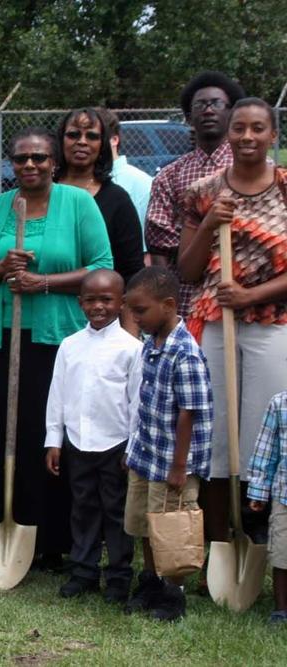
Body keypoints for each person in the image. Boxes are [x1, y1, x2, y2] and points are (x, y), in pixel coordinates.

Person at [0, 127, 114, 568]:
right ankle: (5, 518)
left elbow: (103, 268)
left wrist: (42, 282)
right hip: (5, 339)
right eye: (21, 158)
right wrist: (1, 268)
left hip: (59, 340)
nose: (29, 165)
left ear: (54, 163)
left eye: (39, 158)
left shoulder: (78, 204)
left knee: (50, 435)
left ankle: (54, 539)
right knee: (6, 432)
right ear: (11, 164)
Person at [177, 97, 287, 569]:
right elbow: (186, 270)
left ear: (273, 135)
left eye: (257, 128)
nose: (247, 136)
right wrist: (209, 223)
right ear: (228, 133)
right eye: (239, 128)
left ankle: (265, 542)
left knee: (264, 434)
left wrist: (250, 295)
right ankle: (218, 544)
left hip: (271, 325)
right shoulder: (204, 192)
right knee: (218, 437)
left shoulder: (285, 188)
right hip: (216, 324)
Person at [122, 266, 213, 622]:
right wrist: (133, 449)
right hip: (147, 454)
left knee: (171, 525)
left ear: (169, 305)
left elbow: (189, 412)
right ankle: (150, 580)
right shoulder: (151, 344)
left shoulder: (185, 352)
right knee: (146, 523)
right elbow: (143, 401)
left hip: (174, 460)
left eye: (141, 310)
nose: (135, 318)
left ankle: (173, 593)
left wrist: (179, 466)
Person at [44, 269, 141, 602]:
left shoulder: (131, 348)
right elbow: (57, 395)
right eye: (91, 300)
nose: (98, 306)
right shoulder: (70, 346)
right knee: (83, 507)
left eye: (107, 300)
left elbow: (137, 402)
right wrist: (54, 441)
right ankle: (83, 570)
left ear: (122, 302)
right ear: (80, 302)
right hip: (78, 442)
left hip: (116, 444)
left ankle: (118, 575)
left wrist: (132, 446)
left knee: (116, 510)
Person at [146, 71, 245, 315]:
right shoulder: (169, 177)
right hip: (188, 300)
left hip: (244, 296)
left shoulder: (255, 172)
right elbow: (160, 246)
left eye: (216, 104)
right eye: (200, 105)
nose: (208, 110)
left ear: (232, 113)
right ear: (189, 117)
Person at [54, 107, 145, 283]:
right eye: (73, 135)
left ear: (102, 145)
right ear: (60, 140)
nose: (82, 141)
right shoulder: (42, 193)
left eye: (92, 136)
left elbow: (132, 270)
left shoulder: (118, 200)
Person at [247, 391, 287, 625]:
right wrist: (259, 490)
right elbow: (265, 452)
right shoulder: (279, 403)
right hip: (284, 497)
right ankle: (281, 608)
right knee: (282, 553)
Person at [96, 107, 153, 247]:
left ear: (114, 140)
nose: (84, 142)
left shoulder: (140, 182)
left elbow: (145, 246)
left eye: (94, 136)